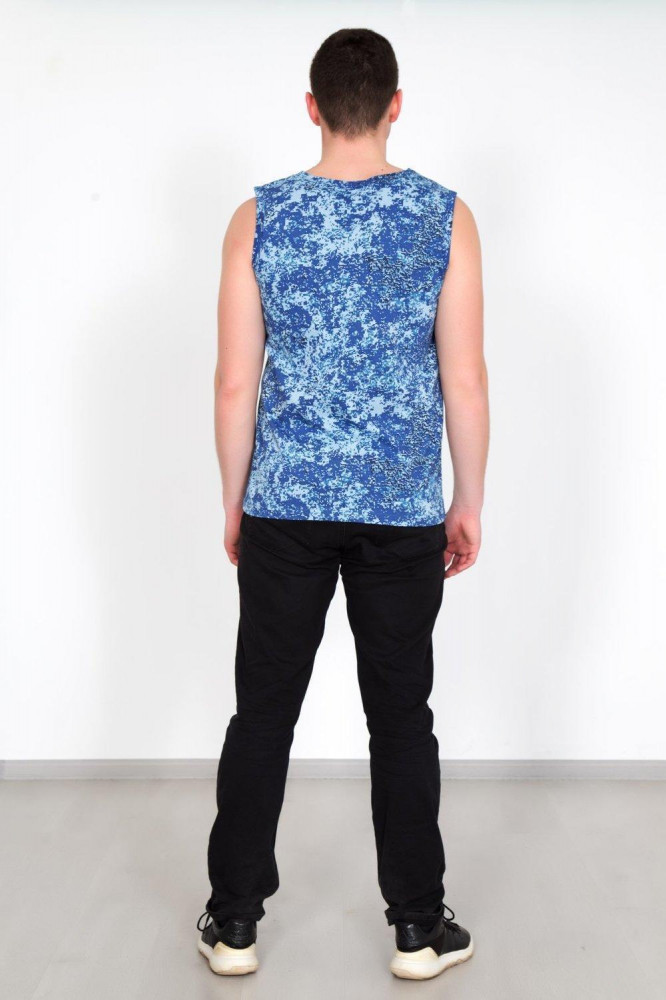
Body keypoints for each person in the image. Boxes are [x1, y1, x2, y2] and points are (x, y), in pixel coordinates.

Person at [197, 26, 488, 983]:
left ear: (312, 107)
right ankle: (418, 928)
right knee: (401, 718)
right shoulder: (445, 217)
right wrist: (467, 500)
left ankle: (234, 924)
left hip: (284, 505)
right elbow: (465, 379)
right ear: (395, 105)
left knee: (263, 714)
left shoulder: (260, 217)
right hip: (402, 510)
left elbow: (234, 384)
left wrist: (236, 500)